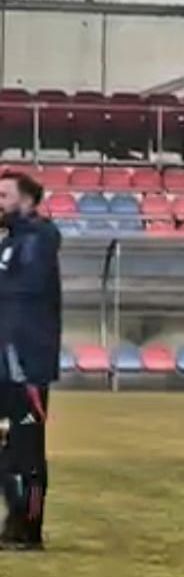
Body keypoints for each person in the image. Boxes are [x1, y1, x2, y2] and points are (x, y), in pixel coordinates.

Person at [0, 172, 61, 551]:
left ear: (25, 200)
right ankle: (15, 518)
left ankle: (29, 528)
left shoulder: (40, 237)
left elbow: (25, 290)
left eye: (3, 195)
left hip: (27, 367)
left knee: (27, 452)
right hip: (3, 365)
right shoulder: (10, 241)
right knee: (6, 450)